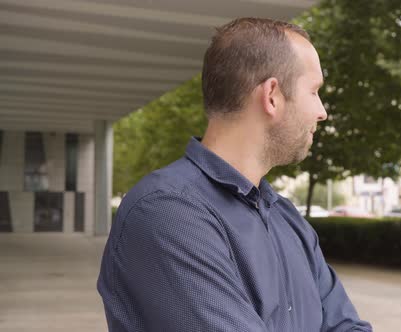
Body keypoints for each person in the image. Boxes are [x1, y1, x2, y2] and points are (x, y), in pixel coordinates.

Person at [97, 17, 372, 332]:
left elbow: (349, 327)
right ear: (272, 96)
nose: (322, 111)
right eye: (314, 92)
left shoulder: (286, 218)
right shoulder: (166, 213)